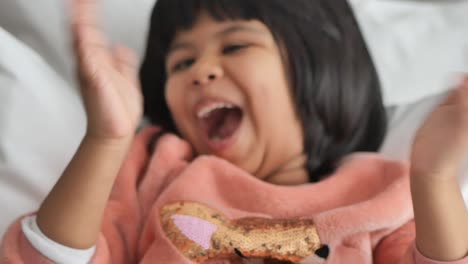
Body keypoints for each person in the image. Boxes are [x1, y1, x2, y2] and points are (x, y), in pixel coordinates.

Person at [1, 0, 467, 263]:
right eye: (181, 62)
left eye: (236, 45)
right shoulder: (157, 166)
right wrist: (106, 138)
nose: (201, 71)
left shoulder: (383, 190)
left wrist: (433, 179)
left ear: (316, 66)